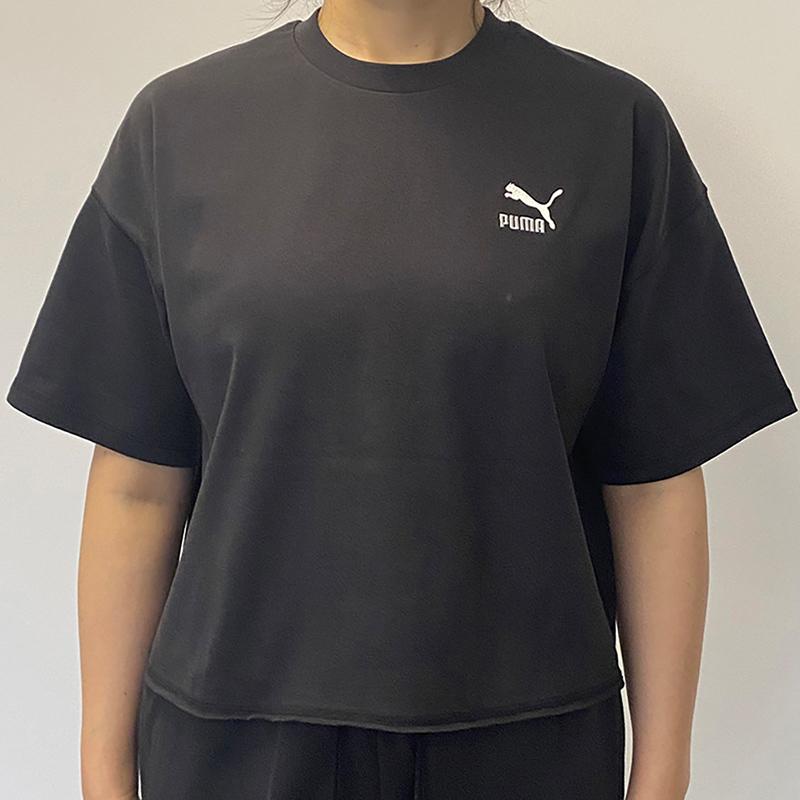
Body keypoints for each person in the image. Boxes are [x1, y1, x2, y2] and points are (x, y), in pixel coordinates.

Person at [6, 0, 796, 798]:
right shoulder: (178, 127)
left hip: (528, 743)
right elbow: (138, 484)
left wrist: (663, 773)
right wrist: (103, 771)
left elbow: (655, 481)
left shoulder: (611, 128)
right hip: (236, 742)